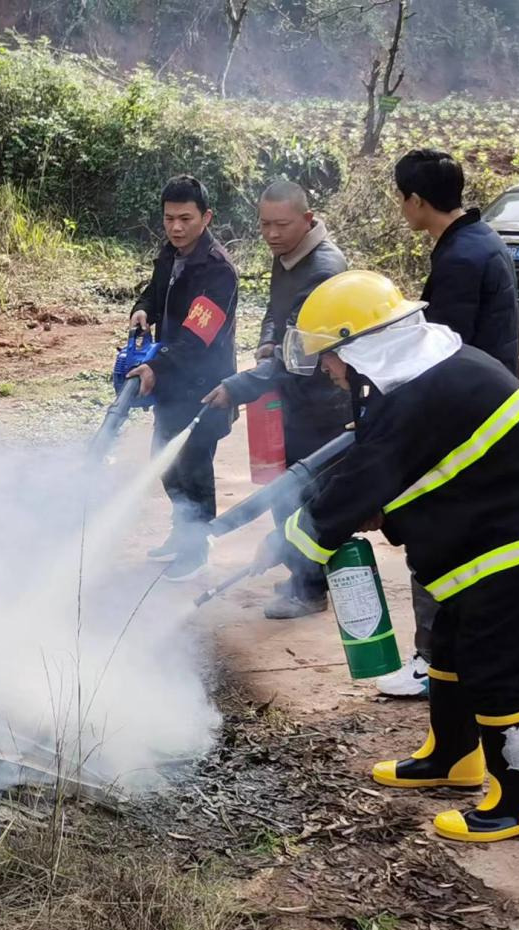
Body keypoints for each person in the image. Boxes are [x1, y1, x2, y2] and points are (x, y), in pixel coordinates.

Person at [253, 269, 519, 843]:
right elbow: (412, 471)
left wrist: (288, 545)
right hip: (505, 523)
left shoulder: (418, 395)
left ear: (361, 346)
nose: (326, 369)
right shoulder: (431, 371)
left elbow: (357, 487)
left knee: (495, 667)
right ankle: (454, 757)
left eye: (329, 356)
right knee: (446, 641)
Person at [379, 148, 519, 698]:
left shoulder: (460, 258)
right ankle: (460, 654)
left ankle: (432, 659)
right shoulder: (480, 239)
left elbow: (445, 353)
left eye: (402, 198)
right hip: (491, 407)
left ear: (417, 200)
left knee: (435, 534)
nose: (401, 208)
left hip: (466, 420)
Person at [199, 180, 351, 619]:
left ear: (308, 219)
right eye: (264, 224)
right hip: (292, 399)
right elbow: (275, 313)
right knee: (286, 495)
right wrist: (268, 340)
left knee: (308, 499)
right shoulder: (288, 254)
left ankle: (310, 589)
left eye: (281, 224)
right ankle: (301, 575)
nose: (270, 234)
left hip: (321, 405)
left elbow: (302, 354)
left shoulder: (323, 269)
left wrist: (237, 386)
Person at [127, 175, 240, 582]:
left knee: (194, 467)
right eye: (169, 218)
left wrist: (155, 368)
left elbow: (196, 337)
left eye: (185, 219)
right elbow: (154, 293)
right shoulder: (170, 254)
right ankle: (181, 532)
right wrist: (143, 309)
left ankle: (196, 549)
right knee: (167, 464)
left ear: (206, 217)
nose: (176, 227)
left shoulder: (218, 271)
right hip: (172, 383)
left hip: (205, 388)